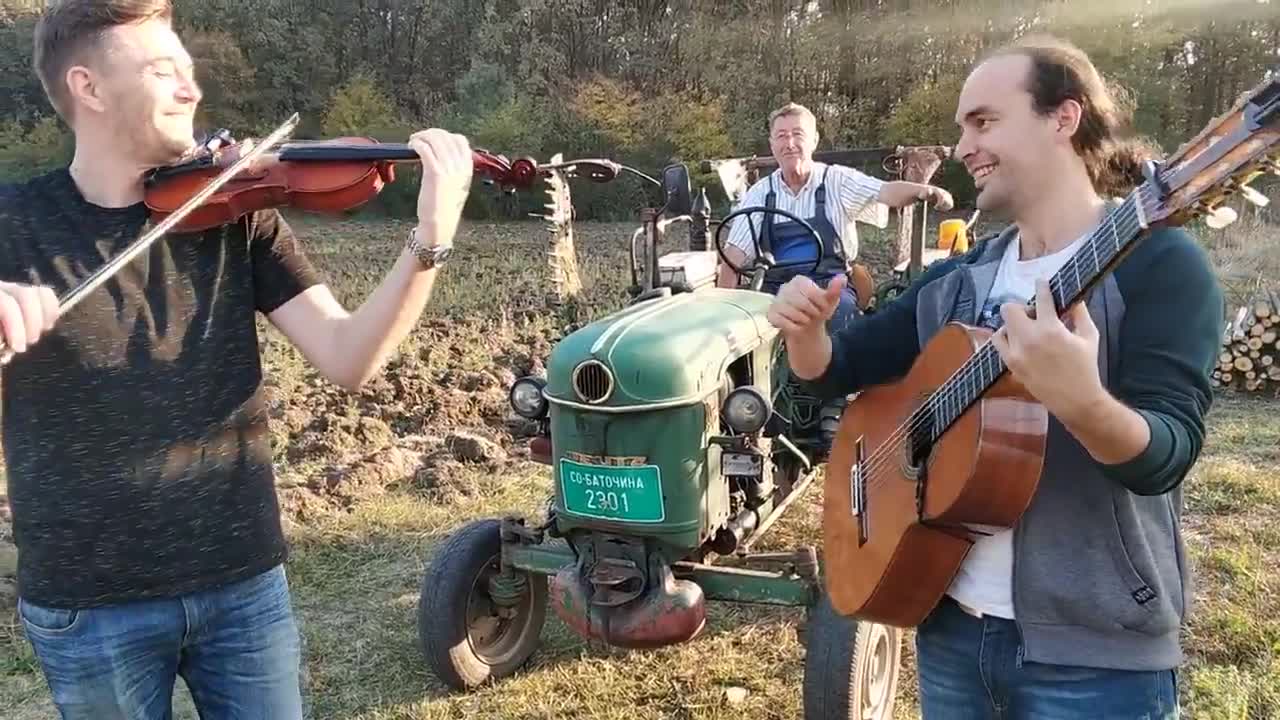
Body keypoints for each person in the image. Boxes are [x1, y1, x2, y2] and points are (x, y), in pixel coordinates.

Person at [0, 1, 471, 717]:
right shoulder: (13, 224)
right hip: (90, 606)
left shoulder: (238, 210)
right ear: (88, 88)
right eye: (163, 71)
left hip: (242, 589)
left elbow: (349, 358)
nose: (192, 91)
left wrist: (429, 239)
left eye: (188, 71)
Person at [767, 35, 1222, 719]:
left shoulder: (1159, 264)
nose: (961, 147)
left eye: (983, 121)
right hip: (949, 630)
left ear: (1063, 118)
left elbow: (1168, 455)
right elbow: (836, 371)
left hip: (1095, 659)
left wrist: (1082, 401)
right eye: (961, 127)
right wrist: (805, 336)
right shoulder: (962, 278)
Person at [718, 102, 954, 454]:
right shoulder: (759, 195)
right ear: (772, 145)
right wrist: (726, 309)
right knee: (753, 328)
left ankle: (833, 400)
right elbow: (733, 259)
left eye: (797, 134)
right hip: (776, 288)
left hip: (829, 282)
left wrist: (924, 191)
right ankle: (755, 408)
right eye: (781, 136)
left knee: (838, 313)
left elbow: (884, 192)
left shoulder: (836, 180)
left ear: (813, 139)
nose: (790, 143)